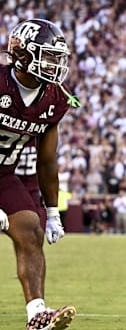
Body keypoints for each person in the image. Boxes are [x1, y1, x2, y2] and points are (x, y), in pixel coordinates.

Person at [0, 18, 77, 330]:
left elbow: (46, 162)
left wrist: (52, 211)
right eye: (47, 56)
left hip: (4, 173)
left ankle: (36, 314)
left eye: (58, 58)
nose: (54, 65)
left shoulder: (55, 97)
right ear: (23, 55)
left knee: (31, 228)